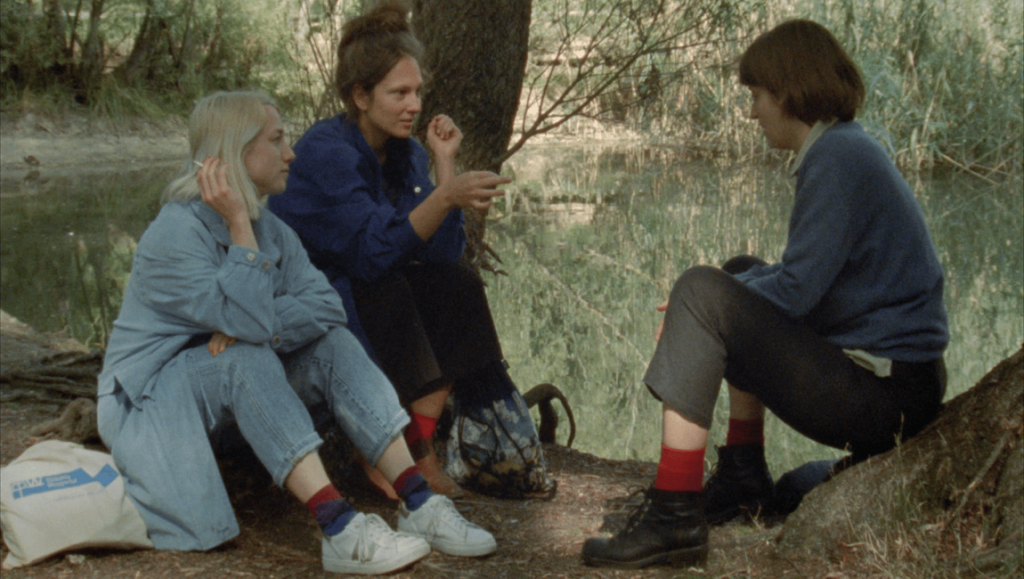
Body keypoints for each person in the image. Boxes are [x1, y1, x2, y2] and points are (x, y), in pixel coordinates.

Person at [581, 19, 949, 569]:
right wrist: (719, 294)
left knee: (703, 290)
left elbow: (797, 292)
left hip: (887, 393)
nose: (751, 111)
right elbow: (801, 278)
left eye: (756, 95)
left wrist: (694, 306)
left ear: (789, 91)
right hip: (898, 384)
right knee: (735, 273)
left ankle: (674, 514)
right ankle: (743, 473)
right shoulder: (844, 149)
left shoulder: (837, 159)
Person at [96, 91, 496, 576]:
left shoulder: (274, 229)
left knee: (329, 343)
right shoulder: (176, 233)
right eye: (278, 140)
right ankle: (339, 527)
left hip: (222, 387)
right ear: (237, 152)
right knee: (241, 356)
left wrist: (254, 328)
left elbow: (326, 306)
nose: (291, 153)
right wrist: (240, 229)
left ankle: (417, 500)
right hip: (149, 401)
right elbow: (249, 323)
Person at [268, 2, 513, 498]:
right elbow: (372, 255)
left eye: (417, 91)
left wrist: (444, 168)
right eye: (399, 93)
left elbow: (441, 254)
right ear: (360, 95)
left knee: (458, 285)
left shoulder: (407, 153)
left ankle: (416, 447)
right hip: (302, 302)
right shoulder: (326, 151)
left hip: (365, 287)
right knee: (383, 285)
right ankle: (388, 450)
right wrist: (446, 197)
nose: (415, 105)